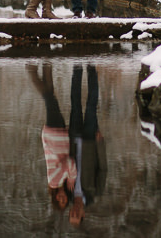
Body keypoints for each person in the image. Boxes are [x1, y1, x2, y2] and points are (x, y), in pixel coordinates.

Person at [27, 62, 77, 211]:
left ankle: (31, 69)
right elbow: (70, 163)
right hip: (60, 135)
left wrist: (72, 176)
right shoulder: (64, 182)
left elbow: (69, 163)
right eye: (64, 200)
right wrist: (70, 175)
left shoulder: (54, 182)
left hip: (53, 135)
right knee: (51, 96)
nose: (62, 198)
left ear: (54, 197)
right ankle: (46, 65)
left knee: (49, 99)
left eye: (59, 200)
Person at [67, 64, 106, 227]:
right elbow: (103, 168)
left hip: (74, 140)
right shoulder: (95, 193)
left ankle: (77, 68)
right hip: (90, 142)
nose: (75, 212)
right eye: (77, 215)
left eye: (72, 215)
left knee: (75, 104)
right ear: (83, 214)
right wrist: (100, 144)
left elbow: (61, 167)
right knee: (91, 106)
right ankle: (91, 68)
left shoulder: (66, 193)